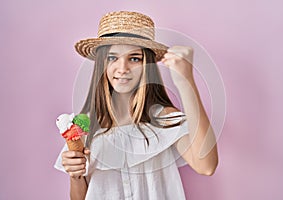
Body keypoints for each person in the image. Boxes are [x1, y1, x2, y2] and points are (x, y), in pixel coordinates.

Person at [54, 11, 218, 200]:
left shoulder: (164, 120)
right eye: (112, 57)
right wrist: (75, 176)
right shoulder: (85, 128)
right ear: (101, 64)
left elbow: (206, 166)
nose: (122, 68)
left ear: (147, 65)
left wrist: (185, 81)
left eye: (134, 58)